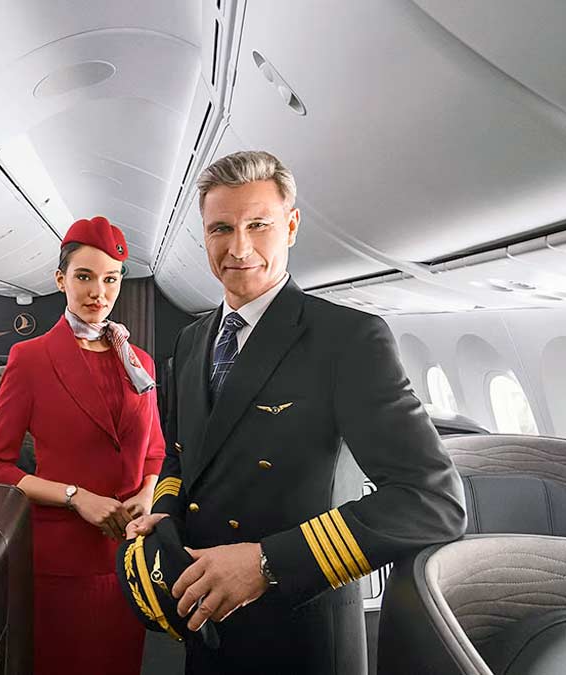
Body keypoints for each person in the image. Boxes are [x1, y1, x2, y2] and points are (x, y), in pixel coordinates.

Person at [128, 151, 466, 674]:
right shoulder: (192, 342)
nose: (239, 248)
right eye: (221, 228)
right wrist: (166, 519)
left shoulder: (347, 339)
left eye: (258, 225)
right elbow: (180, 458)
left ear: (291, 225)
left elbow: (431, 502)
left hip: (302, 635)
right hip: (203, 617)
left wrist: (267, 563)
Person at [0, 215, 164, 675]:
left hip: (129, 557)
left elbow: (155, 450)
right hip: (62, 563)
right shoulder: (32, 359)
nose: (97, 292)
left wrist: (145, 493)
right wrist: (76, 497)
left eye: (110, 279)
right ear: (61, 280)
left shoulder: (138, 361)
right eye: (84, 276)